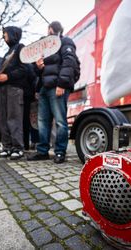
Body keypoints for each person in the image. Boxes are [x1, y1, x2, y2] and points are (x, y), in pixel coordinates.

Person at [27, 21, 79, 164]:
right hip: (44, 87)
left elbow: (69, 62)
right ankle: (42, 151)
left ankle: (60, 151)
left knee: (60, 121)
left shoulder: (65, 41)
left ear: (50, 30)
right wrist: (38, 66)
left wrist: (62, 84)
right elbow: (37, 69)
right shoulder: (46, 47)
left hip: (57, 86)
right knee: (42, 121)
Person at [0, 26, 27, 160]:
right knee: (3, 119)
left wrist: (8, 77)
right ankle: (7, 146)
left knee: (14, 119)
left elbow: (24, 69)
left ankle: (18, 148)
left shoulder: (21, 48)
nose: (3, 36)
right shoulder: (8, 51)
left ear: (13, 34)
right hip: (2, 90)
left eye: (5, 33)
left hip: (14, 89)